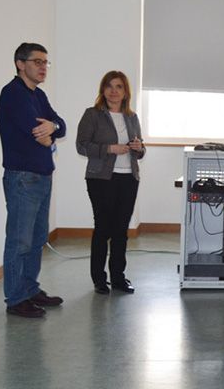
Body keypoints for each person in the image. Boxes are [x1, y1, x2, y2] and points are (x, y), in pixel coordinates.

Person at [0, 42, 66, 318]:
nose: (42, 67)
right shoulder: (13, 94)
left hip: (42, 176)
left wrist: (54, 127)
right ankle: (15, 299)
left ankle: (29, 288)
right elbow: (37, 130)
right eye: (37, 61)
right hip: (23, 179)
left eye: (45, 62)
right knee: (19, 240)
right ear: (19, 63)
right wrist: (48, 128)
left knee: (37, 238)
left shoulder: (39, 95)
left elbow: (59, 124)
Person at [76, 71, 145, 295]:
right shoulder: (93, 115)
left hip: (128, 177)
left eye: (119, 87)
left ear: (126, 92)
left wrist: (138, 148)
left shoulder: (132, 117)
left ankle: (118, 278)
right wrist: (110, 149)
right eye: (109, 86)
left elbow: (141, 149)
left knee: (121, 230)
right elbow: (82, 146)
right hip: (101, 179)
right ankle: (99, 279)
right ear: (102, 90)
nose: (113, 91)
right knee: (103, 228)